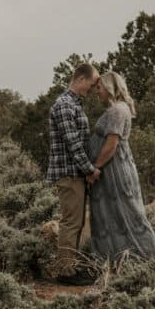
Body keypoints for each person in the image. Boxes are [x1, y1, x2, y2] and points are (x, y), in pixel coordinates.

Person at [88, 71, 155, 263]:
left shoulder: (118, 110)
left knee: (129, 213)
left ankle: (147, 258)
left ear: (110, 87)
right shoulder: (117, 109)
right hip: (110, 170)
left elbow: (111, 145)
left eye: (100, 87)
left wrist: (95, 168)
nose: (97, 91)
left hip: (114, 170)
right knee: (112, 215)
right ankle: (115, 260)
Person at [47, 63, 100, 285]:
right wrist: (90, 169)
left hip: (75, 173)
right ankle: (65, 272)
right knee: (71, 222)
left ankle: (71, 267)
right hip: (69, 175)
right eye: (92, 82)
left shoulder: (74, 105)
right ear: (80, 79)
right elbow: (73, 144)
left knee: (76, 222)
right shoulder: (64, 105)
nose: (94, 87)